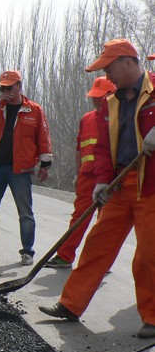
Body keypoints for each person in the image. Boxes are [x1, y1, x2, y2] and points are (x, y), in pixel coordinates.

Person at [39, 39, 155, 339]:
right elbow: (103, 147)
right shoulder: (110, 102)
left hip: (151, 186)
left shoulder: (154, 89)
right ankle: (71, 304)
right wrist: (102, 180)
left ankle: (153, 318)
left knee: (147, 254)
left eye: (109, 66)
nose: (108, 74)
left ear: (128, 61)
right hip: (120, 184)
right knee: (96, 245)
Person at [0, 70, 52, 266]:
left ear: (19, 86)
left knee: (25, 213)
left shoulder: (34, 110)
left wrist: (45, 164)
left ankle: (27, 252)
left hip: (20, 171)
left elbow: (43, 137)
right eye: (2, 88)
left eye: (10, 87)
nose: (7, 91)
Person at [45, 76, 116, 269]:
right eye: (95, 96)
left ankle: (102, 261)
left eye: (100, 96)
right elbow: (79, 149)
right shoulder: (87, 119)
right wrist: (78, 174)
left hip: (111, 177)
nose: (96, 100)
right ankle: (65, 256)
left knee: (106, 221)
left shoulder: (120, 118)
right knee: (79, 217)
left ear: (112, 95)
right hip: (87, 176)